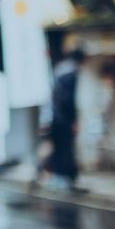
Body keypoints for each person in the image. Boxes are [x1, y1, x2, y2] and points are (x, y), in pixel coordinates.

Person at [41, 46, 84, 192]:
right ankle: (64, 179)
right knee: (65, 149)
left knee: (58, 149)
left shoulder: (59, 69)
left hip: (52, 117)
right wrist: (73, 120)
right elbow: (68, 100)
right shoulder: (71, 73)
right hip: (62, 119)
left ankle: (57, 178)